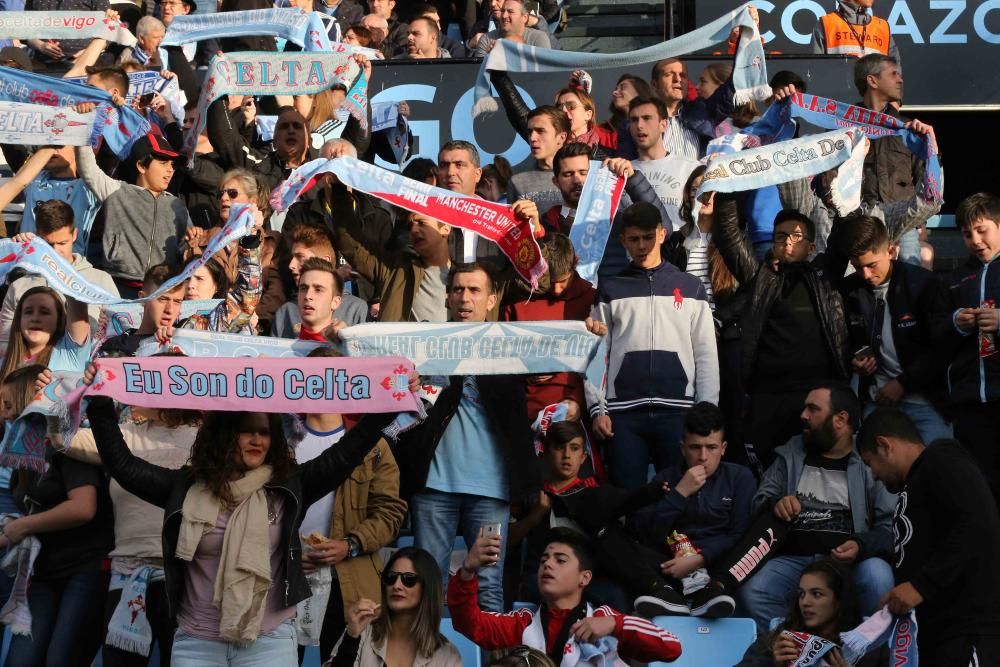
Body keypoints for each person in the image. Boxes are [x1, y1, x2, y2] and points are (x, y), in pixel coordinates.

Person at [84, 365, 411, 665]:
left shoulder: (290, 486)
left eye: (265, 432)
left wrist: (393, 397)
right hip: (196, 643)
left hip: (269, 641)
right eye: (247, 432)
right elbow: (124, 468)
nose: (257, 439)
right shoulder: (187, 487)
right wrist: (99, 406)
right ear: (225, 437)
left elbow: (349, 451)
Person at [397, 263, 538, 613]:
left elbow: (564, 352)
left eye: (474, 290)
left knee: (488, 589)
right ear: (447, 296)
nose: (465, 297)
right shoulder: (425, 345)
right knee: (427, 589)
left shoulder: (509, 348)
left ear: (492, 299)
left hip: (491, 489)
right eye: (458, 289)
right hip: (433, 487)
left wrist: (589, 333)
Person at [61, 361, 202, 667]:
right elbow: (64, 439)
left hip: (187, 581)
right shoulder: (123, 436)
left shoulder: (207, 442)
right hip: (127, 578)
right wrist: (49, 396)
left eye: (143, 378)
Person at [735, 384, 895, 633]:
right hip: (795, 560)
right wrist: (776, 504)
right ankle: (796, 650)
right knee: (754, 589)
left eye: (813, 409)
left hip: (850, 564)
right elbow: (759, 501)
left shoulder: (867, 459)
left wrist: (862, 545)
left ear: (840, 419)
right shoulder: (791, 452)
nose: (803, 416)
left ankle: (865, 654)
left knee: (878, 576)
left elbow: (890, 527)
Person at [712, 194, 851, 469]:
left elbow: (844, 238)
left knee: (815, 468)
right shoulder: (760, 276)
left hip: (815, 394)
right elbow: (727, 234)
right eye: (780, 236)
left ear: (811, 247)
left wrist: (838, 198)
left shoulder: (826, 275)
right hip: (768, 396)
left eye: (796, 236)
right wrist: (727, 187)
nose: (787, 241)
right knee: (768, 471)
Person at [591, 202, 719, 489]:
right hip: (623, 415)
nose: (642, 246)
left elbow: (707, 355)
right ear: (623, 240)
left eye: (648, 237)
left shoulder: (690, 287)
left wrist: (707, 414)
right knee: (627, 501)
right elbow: (598, 354)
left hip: (679, 413)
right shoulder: (611, 288)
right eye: (634, 239)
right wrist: (598, 409)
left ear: (662, 234)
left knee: (679, 500)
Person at [857, 408, 1000, 666]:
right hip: (934, 639)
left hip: (966, 631)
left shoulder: (942, 458)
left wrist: (921, 586)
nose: (874, 476)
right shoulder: (914, 485)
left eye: (870, 464)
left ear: (884, 445)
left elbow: (978, 523)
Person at [294, 346, 407, 660]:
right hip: (288, 577)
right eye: (313, 377)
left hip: (349, 581)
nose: (321, 384)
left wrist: (349, 544)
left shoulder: (374, 445)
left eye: (331, 377)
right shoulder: (279, 443)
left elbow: (390, 511)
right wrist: (288, 555)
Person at [0, 367, 114, 667]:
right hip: (46, 570)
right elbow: (31, 508)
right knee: (20, 660)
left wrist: (23, 526)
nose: (4, 414)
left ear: (29, 400)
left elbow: (83, 507)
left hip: (85, 568)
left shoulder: (67, 441)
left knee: (60, 659)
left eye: (9, 404)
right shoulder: (24, 452)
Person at [449, 527, 683, 664]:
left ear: (585, 578)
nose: (548, 565)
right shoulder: (522, 622)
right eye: (543, 560)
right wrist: (468, 569)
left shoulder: (605, 618)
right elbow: (467, 622)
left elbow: (672, 647)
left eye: (560, 560)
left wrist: (615, 624)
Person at [630, 402, 756, 618]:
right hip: (671, 566)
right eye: (695, 447)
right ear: (682, 448)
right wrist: (680, 493)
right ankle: (669, 596)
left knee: (753, 541)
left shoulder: (739, 478)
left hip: (720, 566)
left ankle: (710, 593)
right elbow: (647, 534)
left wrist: (700, 559)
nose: (703, 456)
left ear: (723, 448)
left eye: (711, 447)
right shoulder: (665, 479)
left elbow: (739, 534)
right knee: (614, 539)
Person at [836, 215, 953, 443]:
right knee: (870, 470)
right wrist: (858, 356)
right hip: (876, 402)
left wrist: (903, 383)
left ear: (891, 250)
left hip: (925, 401)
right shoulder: (850, 291)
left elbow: (942, 347)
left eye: (871, 265)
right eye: (858, 268)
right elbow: (847, 338)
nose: (866, 275)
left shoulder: (923, 284)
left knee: (938, 462)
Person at [75, 132, 191, 298]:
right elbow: (87, 169)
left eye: (172, 165)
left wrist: (193, 244)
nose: (170, 169)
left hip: (161, 291)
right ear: (141, 166)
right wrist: (82, 126)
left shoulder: (177, 206)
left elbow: (185, 247)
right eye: (163, 162)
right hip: (117, 288)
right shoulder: (116, 190)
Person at [0, 201, 118, 351]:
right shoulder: (20, 285)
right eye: (48, 244)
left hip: (85, 370)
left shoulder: (101, 280)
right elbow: (4, 344)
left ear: (74, 234)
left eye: (62, 243)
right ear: (37, 237)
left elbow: (120, 331)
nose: (55, 252)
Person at [541, 143, 668, 282]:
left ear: (597, 175)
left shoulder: (617, 218)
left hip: (616, 298)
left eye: (584, 173)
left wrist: (632, 179)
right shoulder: (546, 225)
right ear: (556, 182)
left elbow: (665, 228)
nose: (577, 180)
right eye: (568, 174)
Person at [945, 192, 1000, 505]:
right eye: (967, 234)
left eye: (982, 230)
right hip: (969, 404)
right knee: (978, 492)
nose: (975, 240)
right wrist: (955, 321)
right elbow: (936, 330)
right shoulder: (956, 277)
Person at [325, 547, 461, 666]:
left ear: (428, 588)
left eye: (409, 579)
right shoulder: (362, 631)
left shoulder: (447, 655)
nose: (396, 586)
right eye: (391, 577)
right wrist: (351, 637)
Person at [735, 559, 883, 667]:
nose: (805, 602)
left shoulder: (870, 645)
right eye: (801, 594)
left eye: (817, 594)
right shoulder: (779, 637)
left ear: (839, 600)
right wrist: (772, 664)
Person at [271, 225, 369, 336]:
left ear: (324, 260)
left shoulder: (356, 309)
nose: (291, 265)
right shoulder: (285, 313)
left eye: (300, 257)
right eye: (304, 288)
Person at [662, 165, 736, 311]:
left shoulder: (733, 240)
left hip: (721, 326)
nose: (703, 195)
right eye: (695, 190)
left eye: (708, 188)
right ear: (689, 197)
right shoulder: (676, 241)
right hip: (684, 323)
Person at [648, 57, 736, 159]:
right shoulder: (641, 120)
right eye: (668, 74)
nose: (678, 79)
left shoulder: (702, 110)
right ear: (654, 85)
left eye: (683, 75)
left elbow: (731, 91)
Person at [0, 285, 91, 379]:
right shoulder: (3, 363)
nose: (35, 319)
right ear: (19, 319)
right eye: (29, 311)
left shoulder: (70, 352)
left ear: (59, 319)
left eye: (44, 312)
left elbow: (77, 302)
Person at [100, 264, 187, 358]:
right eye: (163, 299)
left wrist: (180, 336)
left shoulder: (189, 338)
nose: (169, 309)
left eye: (177, 302)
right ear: (143, 299)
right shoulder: (117, 346)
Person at [812, 0, 900, 63]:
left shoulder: (883, 27)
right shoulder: (825, 24)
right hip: (839, 88)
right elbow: (816, 70)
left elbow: (895, 75)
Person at [474, 0, 551, 56]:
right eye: (503, 11)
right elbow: (481, 74)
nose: (504, 16)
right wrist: (490, 58)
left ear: (524, 17)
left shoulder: (538, 38)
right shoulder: (487, 39)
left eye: (510, 11)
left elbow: (545, 72)